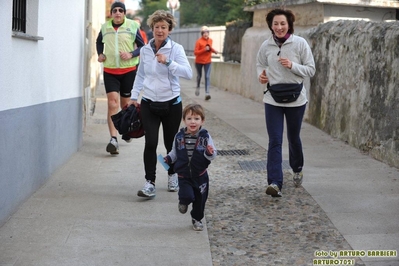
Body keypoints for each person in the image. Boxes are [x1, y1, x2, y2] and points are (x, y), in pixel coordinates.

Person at [128, 10, 193, 198]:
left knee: (170, 144)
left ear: (169, 29)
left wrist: (169, 62)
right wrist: (134, 97)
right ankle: (150, 182)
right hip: (149, 103)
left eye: (164, 27)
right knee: (151, 142)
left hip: (171, 103)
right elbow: (140, 74)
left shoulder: (176, 49)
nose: (160, 30)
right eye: (157, 27)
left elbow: (187, 73)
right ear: (152, 28)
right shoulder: (146, 50)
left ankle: (172, 174)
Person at [256, 9, 316, 197]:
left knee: (293, 137)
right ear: (271, 26)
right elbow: (259, 63)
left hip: (296, 99)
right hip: (272, 98)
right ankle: (275, 182)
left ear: (289, 24)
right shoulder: (266, 46)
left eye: (283, 23)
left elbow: (311, 70)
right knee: (275, 140)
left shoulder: (300, 44)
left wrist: (292, 66)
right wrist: (261, 74)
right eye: (276, 24)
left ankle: (297, 168)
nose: (279, 27)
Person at [96, 1, 145, 155]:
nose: (117, 13)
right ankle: (113, 139)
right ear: (111, 13)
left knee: (125, 104)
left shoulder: (132, 26)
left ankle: (126, 129)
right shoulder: (105, 27)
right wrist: (100, 54)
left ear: (124, 13)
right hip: (110, 71)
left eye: (120, 10)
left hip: (128, 71)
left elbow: (142, 46)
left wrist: (131, 54)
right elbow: (99, 42)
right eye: (114, 10)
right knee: (112, 103)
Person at [164, 104, 217, 231]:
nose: (193, 122)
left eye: (196, 119)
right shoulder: (179, 137)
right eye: (189, 118)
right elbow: (174, 153)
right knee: (187, 195)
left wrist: (209, 152)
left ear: (202, 121)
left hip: (201, 175)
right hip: (184, 175)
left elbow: (213, 154)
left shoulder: (205, 137)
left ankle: (196, 219)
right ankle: (183, 201)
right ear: (184, 120)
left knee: (200, 200)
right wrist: (167, 159)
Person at [193, 26, 218, 100]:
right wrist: (204, 49)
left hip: (207, 61)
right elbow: (195, 52)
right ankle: (198, 87)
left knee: (207, 76)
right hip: (199, 61)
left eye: (207, 33)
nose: (206, 34)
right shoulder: (199, 41)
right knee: (199, 76)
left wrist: (214, 51)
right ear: (202, 34)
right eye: (204, 33)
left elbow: (209, 48)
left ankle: (207, 93)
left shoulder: (210, 40)